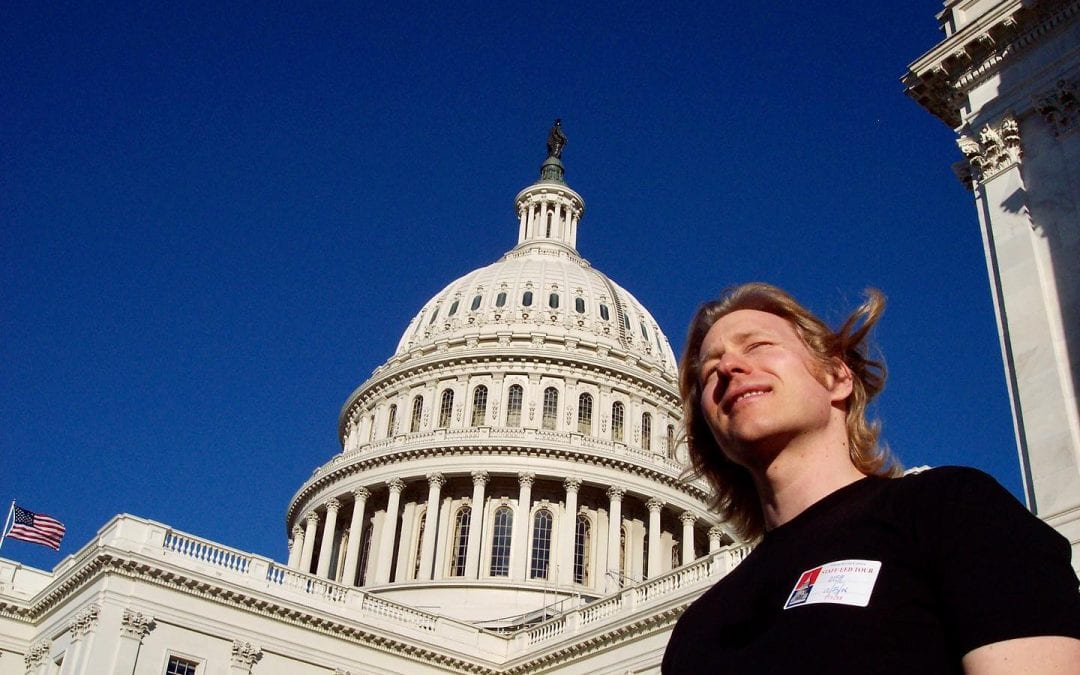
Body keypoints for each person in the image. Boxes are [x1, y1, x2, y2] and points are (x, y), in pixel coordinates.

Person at [662, 282, 1080, 674]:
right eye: (709, 370)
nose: (729, 367)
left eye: (757, 345)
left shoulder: (950, 508)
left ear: (837, 377)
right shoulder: (696, 631)